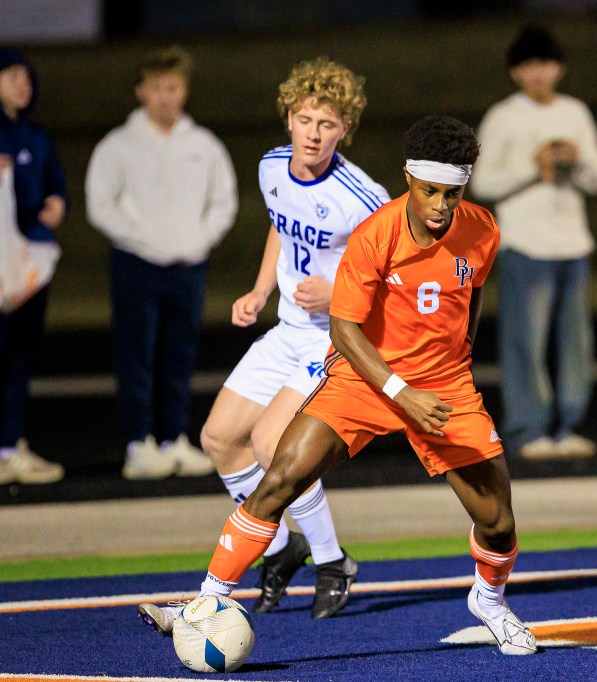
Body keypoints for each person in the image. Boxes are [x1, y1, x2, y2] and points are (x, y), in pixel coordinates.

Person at [137, 114, 537, 655]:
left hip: (443, 387)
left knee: (498, 520)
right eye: (430, 191)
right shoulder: (376, 234)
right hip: (366, 378)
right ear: (408, 180)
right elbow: (345, 330)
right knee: (280, 475)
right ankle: (207, 598)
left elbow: (474, 289)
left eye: (453, 192)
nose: (441, 205)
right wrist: (399, 392)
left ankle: (489, 600)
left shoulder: (483, 228)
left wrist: (459, 352)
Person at [200, 57, 388, 618]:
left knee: (269, 444)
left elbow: (394, 277)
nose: (314, 132)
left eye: (327, 123)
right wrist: (260, 292)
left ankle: (332, 560)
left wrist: (338, 296)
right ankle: (282, 549)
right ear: (288, 119)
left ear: (345, 130)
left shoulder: (366, 198)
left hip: (334, 340)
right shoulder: (272, 167)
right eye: (305, 119)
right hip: (287, 331)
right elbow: (281, 227)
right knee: (219, 438)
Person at [85, 46, 237, 481]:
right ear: (141, 92)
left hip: (188, 266)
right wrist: (141, 239)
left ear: (184, 91)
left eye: (172, 88)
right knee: (137, 355)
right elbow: (100, 203)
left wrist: (199, 239)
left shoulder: (203, 145)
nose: (165, 97)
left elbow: (223, 200)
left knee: (179, 355)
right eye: (156, 88)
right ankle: (139, 443)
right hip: (136, 264)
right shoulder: (119, 145)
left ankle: (173, 439)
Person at [470, 25, 597, 461]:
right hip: (525, 244)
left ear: (559, 68)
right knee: (524, 341)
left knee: (574, 342)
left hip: (573, 243)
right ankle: (528, 429)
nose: (538, 74)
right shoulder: (503, 117)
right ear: (515, 72)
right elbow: (482, 183)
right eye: (528, 66)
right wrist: (535, 166)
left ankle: (568, 425)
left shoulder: (576, 112)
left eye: (545, 65)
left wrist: (576, 157)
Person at [0, 47, 67, 485]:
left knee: (20, 357)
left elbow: (54, 185)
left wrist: (57, 203)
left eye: (26, 77)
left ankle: (9, 446)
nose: (22, 85)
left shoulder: (36, 136)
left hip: (28, 269)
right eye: (11, 76)